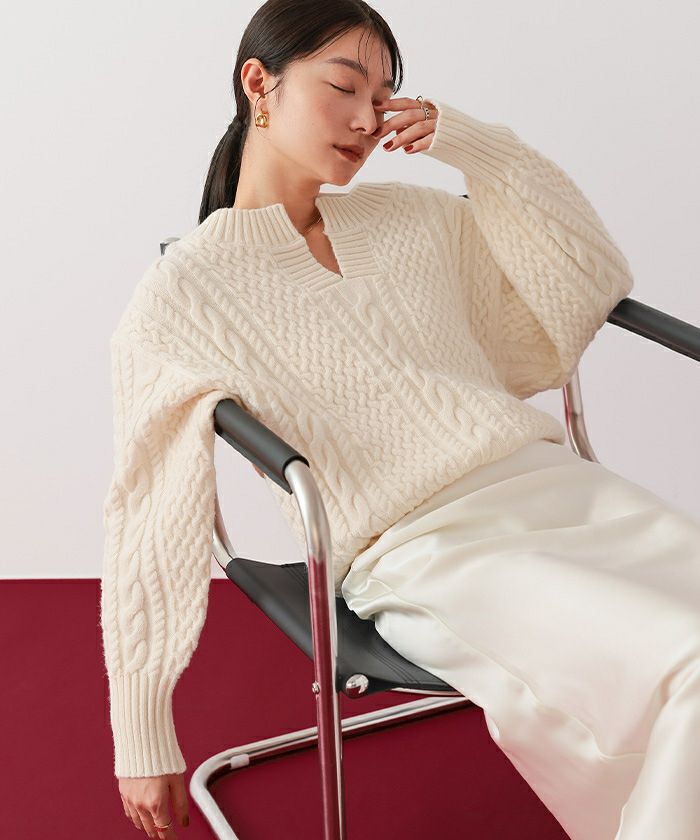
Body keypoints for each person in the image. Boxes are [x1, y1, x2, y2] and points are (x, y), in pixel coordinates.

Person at [101, 1, 700, 838]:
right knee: (689, 664)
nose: (366, 118)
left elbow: (589, 279)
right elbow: (148, 507)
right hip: (422, 549)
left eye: (383, 97)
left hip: (559, 491)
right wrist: (142, 730)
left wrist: (479, 149)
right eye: (344, 86)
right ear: (259, 84)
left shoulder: (416, 220)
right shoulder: (186, 293)